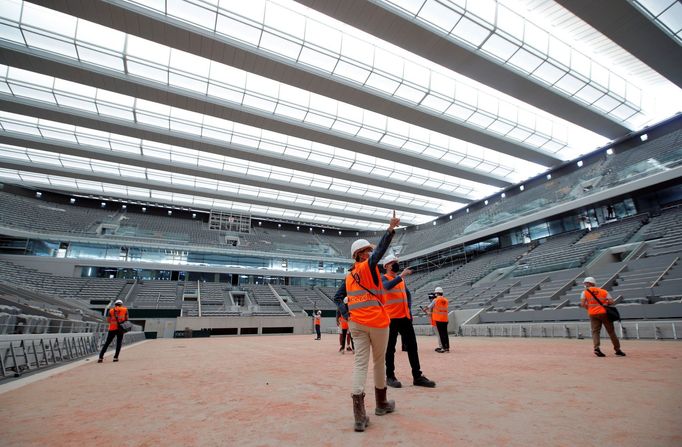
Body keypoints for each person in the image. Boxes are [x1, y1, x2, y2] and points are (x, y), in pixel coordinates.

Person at [334, 214, 400, 432]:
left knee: (360, 364)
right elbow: (380, 251)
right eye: (368, 251)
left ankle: (359, 416)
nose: (372, 254)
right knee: (378, 362)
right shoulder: (367, 267)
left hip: (356, 325)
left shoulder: (349, 276)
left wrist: (347, 314)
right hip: (378, 323)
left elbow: (337, 297)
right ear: (361, 254)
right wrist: (390, 230)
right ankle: (381, 404)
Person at [381, 254, 435, 388]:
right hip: (391, 318)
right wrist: (401, 276)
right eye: (393, 262)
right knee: (390, 349)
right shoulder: (383, 278)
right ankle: (390, 376)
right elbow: (387, 287)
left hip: (404, 317)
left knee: (412, 347)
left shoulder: (401, 281)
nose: (396, 264)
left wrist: (409, 310)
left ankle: (417, 376)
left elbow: (407, 295)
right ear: (387, 266)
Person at [580, 277, 625, 357]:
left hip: (592, 314)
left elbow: (583, 304)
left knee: (595, 332)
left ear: (590, 283)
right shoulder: (603, 291)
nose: (585, 285)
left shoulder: (584, 292)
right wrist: (605, 304)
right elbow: (611, 302)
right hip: (604, 313)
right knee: (611, 332)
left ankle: (596, 348)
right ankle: (617, 349)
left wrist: (590, 308)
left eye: (586, 283)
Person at [427, 287, 449, 353]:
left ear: (436, 293)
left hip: (439, 319)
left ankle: (442, 348)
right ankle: (447, 347)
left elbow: (428, 307)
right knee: (445, 334)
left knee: (441, 334)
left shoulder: (435, 300)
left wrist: (425, 310)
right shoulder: (446, 300)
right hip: (445, 319)